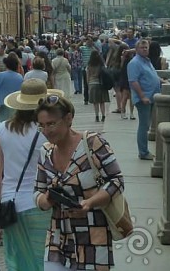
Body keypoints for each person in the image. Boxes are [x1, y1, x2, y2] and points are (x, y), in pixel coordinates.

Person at [34, 94, 125, 270]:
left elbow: (116, 180)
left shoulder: (92, 143)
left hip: (92, 237)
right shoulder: (45, 152)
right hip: (57, 238)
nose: (46, 131)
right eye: (42, 126)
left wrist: (90, 203)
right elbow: (37, 193)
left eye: (51, 124)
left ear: (68, 118)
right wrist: (46, 199)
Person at [0, 80, 52, 271]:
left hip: (10, 203)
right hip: (40, 202)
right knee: (40, 259)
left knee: (16, 261)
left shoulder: (3, 128)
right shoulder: (47, 133)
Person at [127, 39, 162, 160]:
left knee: (147, 124)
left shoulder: (146, 61)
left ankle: (144, 151)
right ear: (136, 50)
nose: (145, 49)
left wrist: (162, 81)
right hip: (144, 99)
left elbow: (153, 75)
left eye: (146, 47)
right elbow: (133, 81)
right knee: (144, 125)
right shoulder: (134, 63)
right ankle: (143, 152)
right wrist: (142, 96)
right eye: (142, 48)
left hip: (151, 97)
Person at [0, 53, 24, 123]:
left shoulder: (0, 76)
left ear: (6, 64)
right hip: (15, 107)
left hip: (1, 107)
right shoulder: (20, 77)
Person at [87, 50, 110, 123]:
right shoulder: (101, 65)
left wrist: (88, 85)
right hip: (101, 84)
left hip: (92, 84)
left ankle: (97, 116)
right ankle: (103, 116)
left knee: (95, 102)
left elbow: (87, 76)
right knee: (102, 101)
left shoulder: (89, 65)